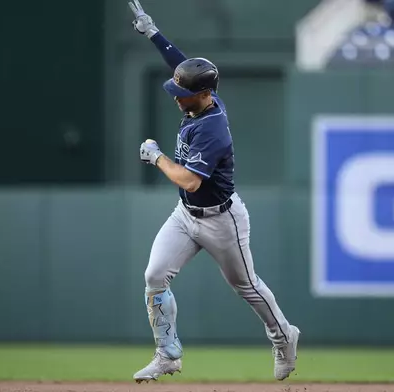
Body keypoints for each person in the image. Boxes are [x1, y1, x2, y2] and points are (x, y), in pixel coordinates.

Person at [127, 0, 300, 384]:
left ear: (203, 94)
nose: (175, 94)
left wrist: (155, 156)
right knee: (154, 274)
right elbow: (183, 66)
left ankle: (283, 336)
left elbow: (190, 180)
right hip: (186, 216)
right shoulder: (203, 96)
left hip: (222, 220)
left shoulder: (213, 128)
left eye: (181, 91)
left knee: (248, 287)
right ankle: (168, 354)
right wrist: (153, 31)